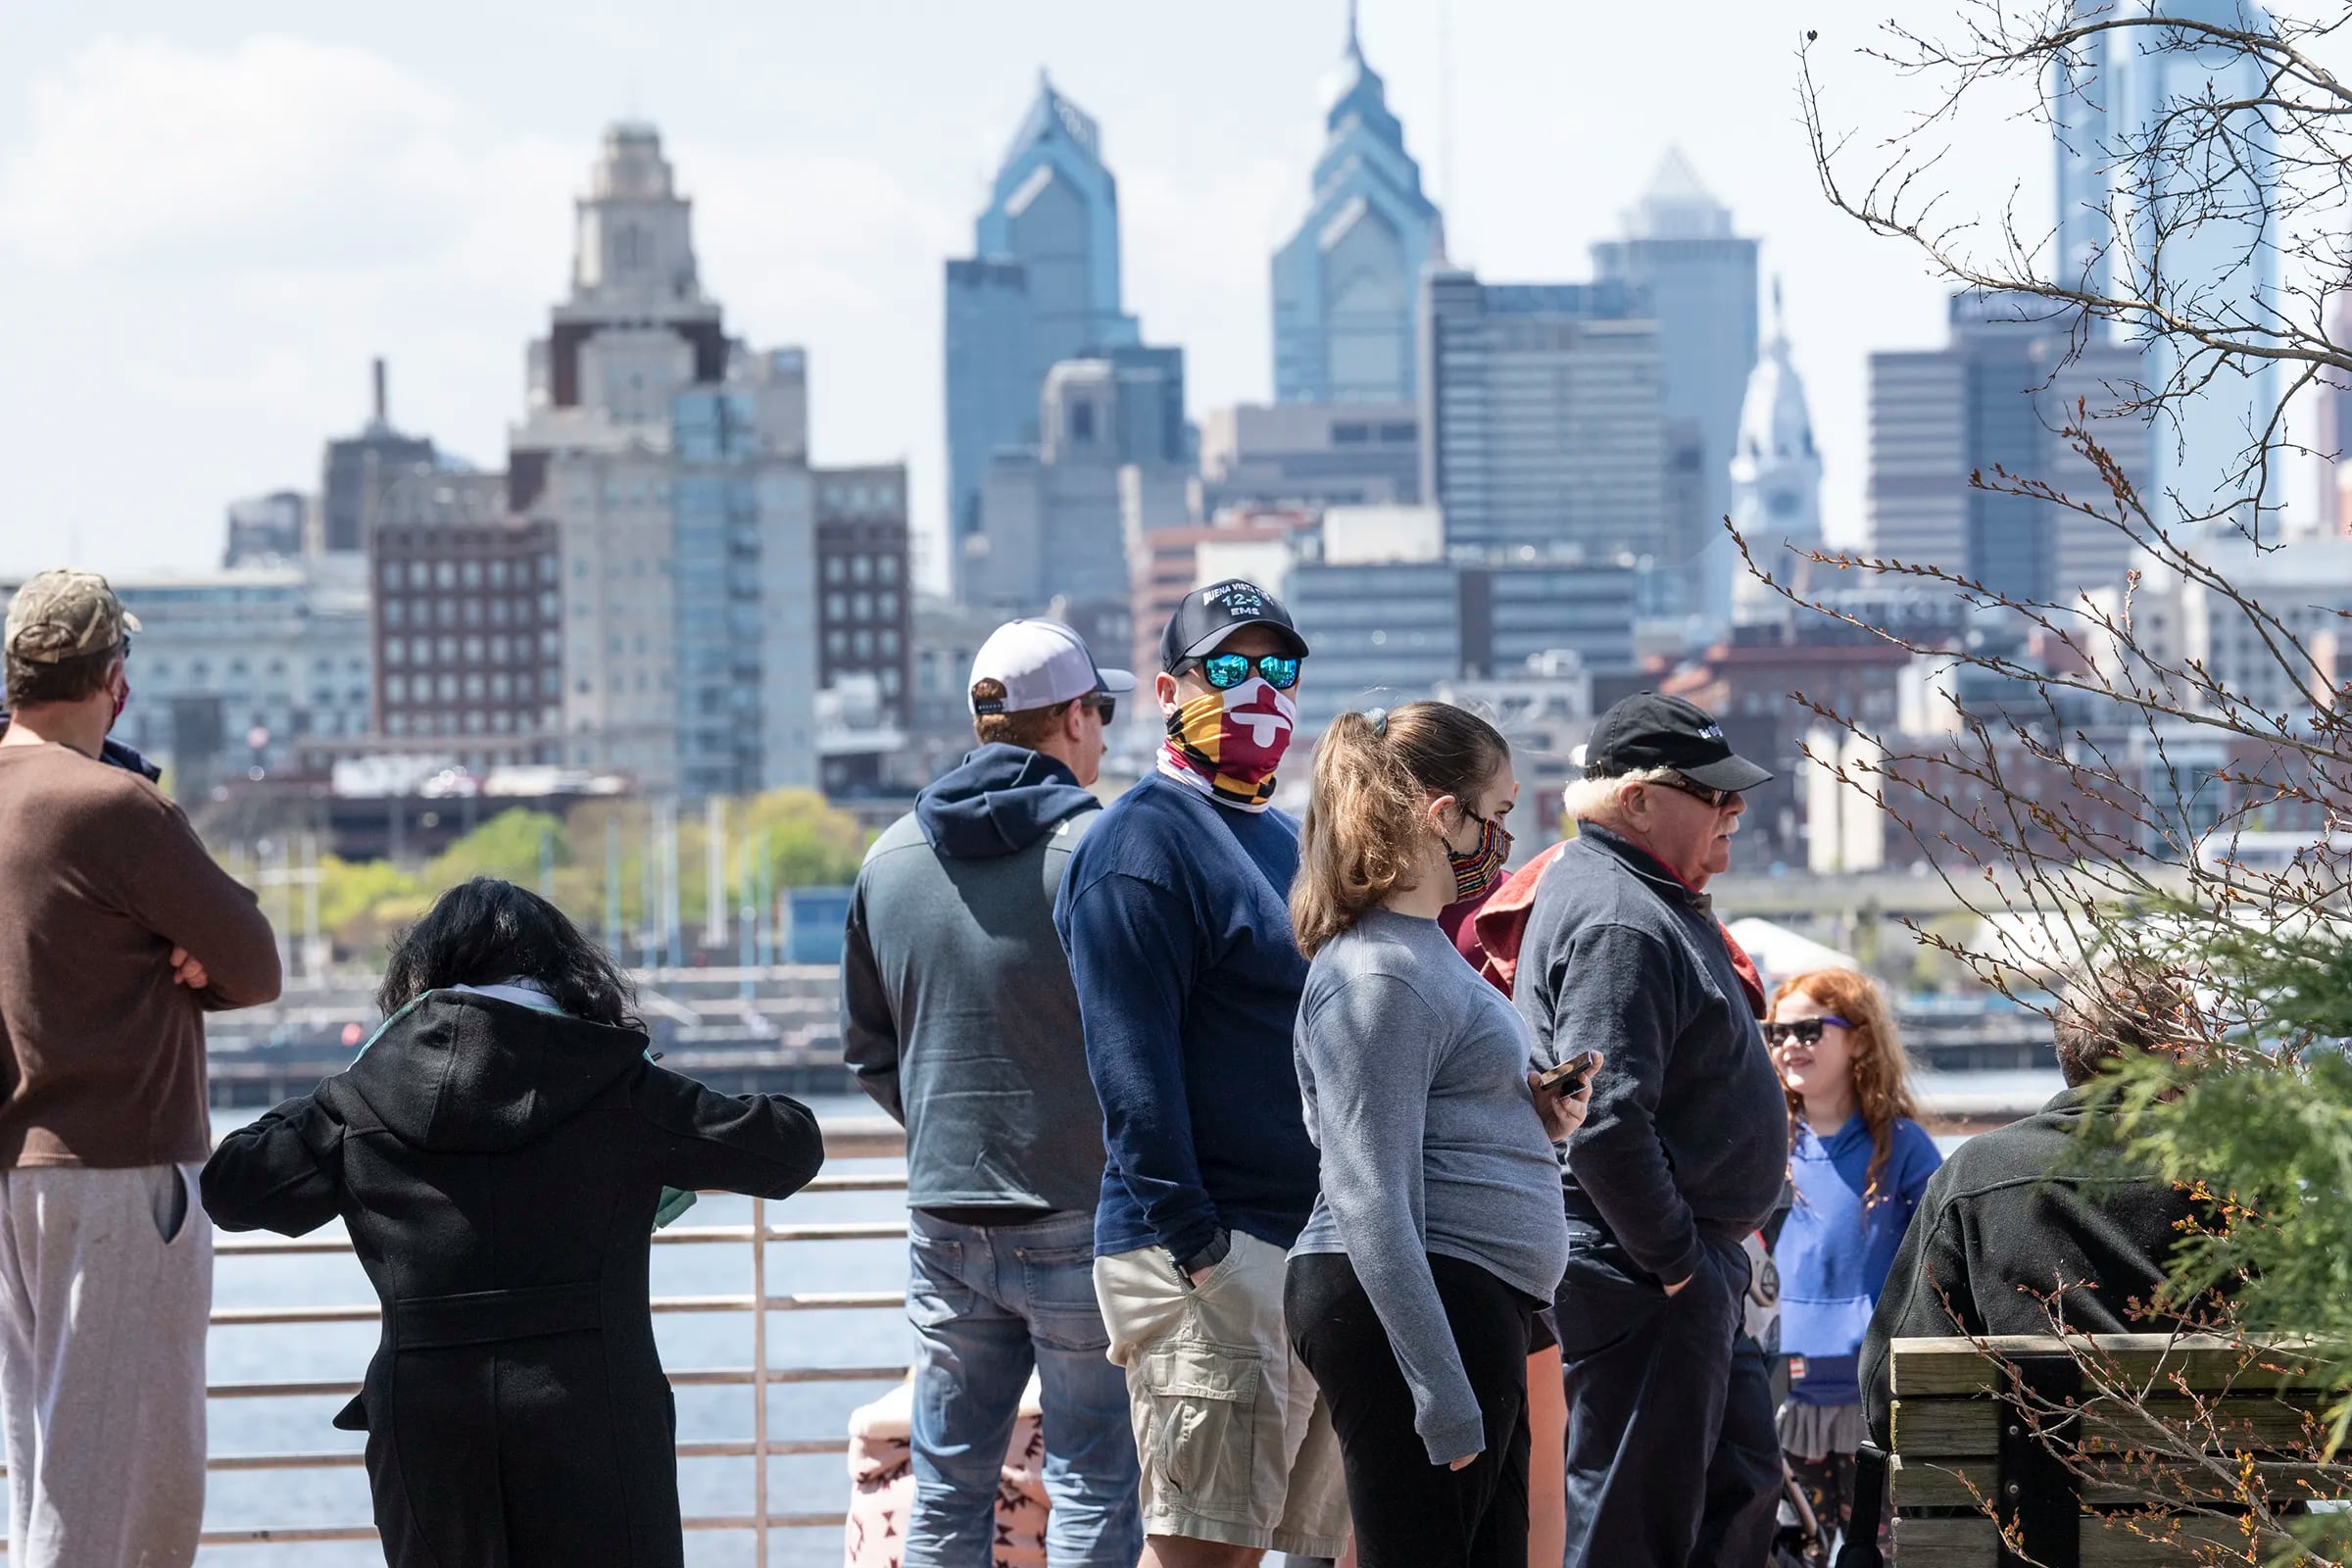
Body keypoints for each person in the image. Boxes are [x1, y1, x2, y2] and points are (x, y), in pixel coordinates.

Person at [200, 878, 825, 1568]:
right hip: (595, 1412)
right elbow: (789, 1148)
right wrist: (650, 1077)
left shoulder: (359, 1098)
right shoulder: (616, 1084)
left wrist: (341, 1088)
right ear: (566, 972)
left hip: (431, 1423)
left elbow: (234, 1187)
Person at [1054, 578, 1349, 1568]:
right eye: (1228, 668)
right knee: (1203, 1555)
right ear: (1168, 688)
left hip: (1303, 1254)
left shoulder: (1277, 837)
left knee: (1304, 1546)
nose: (1259, 688)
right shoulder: (1138, 846)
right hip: (1215, 1259)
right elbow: (1129, 1071)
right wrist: (1200, 1248)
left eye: (1279, 668)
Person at [840, 616, 1142, 1568]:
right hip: (1082, 1211)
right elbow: (1153, 1048)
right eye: (1104, 707)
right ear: (1072, 722)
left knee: (948, 1488)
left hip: (945, 1215)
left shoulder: (888, 859)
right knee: (1095, 1479)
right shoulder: (1098, 851)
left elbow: (867, 1050)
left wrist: (946, 1126)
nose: (1107, 728)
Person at [0, 569, 282, 1568]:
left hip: (16, 1183)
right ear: (115, 680)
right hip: (122, 1175)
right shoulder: (115, 806)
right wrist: (194, 956)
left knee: (48, 1472)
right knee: (121, 1496)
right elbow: (254, 961)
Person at [1283, 702, 1588, 1568]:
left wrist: (1534, 1117)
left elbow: (1425, 1126)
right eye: (1493, 815)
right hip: (1425, 1306)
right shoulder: (1380, 975)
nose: (1503, 838)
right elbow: (1366, 1192)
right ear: (1439, 813)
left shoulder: (1421, 955)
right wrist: (1440, 1391)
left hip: (1467, 1297)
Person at [1512, 690, 1789, 1568]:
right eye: (1711, 793)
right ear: (1636, 800)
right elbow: (1604, 1122)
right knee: (1636, 1524)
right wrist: (1679, 1266)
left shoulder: (1638, 897)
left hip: (1676, 1267)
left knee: (1733, 1488)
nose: (1733, 807)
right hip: (1645, 1271)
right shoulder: (1620, 915)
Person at [1857, 958, 2210, 1454]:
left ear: (2066, 1056)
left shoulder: (1974, 1174)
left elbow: (1884, 1395)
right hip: (2233, 1519)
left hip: (2032, 1522)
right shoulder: (2243, 1182)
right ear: (2180, 1057)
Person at [1764, 969, 1941, 1563]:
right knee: (1791, 1552)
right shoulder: (1762, 1143)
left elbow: (1940, 1260)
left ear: (1860, 1040)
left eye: (1810, 1029)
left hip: (1878, 1404)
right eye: (1776, 1031)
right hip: (1783, 1398)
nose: (1790, 1043)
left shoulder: (1906, 1146)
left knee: (1886, 1555)